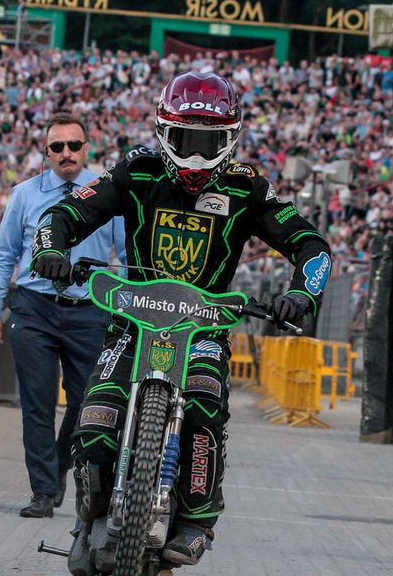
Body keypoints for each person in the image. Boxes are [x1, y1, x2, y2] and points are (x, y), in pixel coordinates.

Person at [30, 72, 333, 566]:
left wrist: (301, 294)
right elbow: (62, 215)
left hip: (203, 331)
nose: (194, 156)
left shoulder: (248, 187)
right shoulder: (135, 169)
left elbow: (312, 246)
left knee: (204, 411)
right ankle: (91, 512)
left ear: (230, 138)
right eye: (183, 140)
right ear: (161, 132)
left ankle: (197, 522)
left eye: (207, 142)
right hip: (132, 321)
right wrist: (51, 251)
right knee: (95, 414)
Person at [0, 112, 127, 519]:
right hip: (35, 308)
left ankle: (61, 467)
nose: (66, 153)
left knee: (87, 404)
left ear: (87, 148)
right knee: (38, 404)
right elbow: (3, 255)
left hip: (91, 311)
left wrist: (134, 306)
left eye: (74, 146)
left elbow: (129, 256)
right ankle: (43, 491)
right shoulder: (25, 195)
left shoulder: (109, 194)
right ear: (46, 152)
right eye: (57, 147)